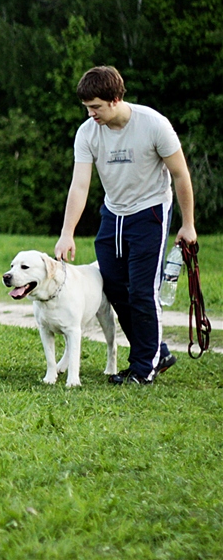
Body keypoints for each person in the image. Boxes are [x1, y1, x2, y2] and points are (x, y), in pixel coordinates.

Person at [54, 66, 197, 385]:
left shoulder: (154, 124)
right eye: (87, 108)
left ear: (115, 99)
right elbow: (79, 185)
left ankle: (144, 367)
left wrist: (187, 224)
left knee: (142, 291)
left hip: (151, 213)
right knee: (116, 287)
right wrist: (67, 233)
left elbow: (181, 175)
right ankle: (157, 351)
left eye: (96, 107)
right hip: (113, 214)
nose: (91, 114)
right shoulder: (87, 133)